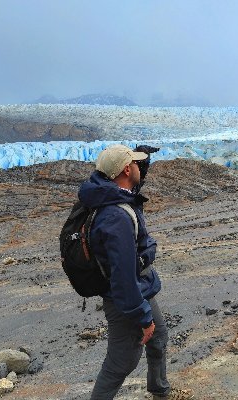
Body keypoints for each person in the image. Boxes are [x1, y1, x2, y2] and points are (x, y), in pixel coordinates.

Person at [78, 144, 173, 399]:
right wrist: (142, 317)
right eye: (135, 163)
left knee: (159, 339)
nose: (139, 167)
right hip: (126, 298)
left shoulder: (112, 193)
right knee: (121, 363)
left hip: (140, 289)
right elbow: (122, 278)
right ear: (126, 169)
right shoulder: (115, 217)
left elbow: (133, 186)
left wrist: (143, 159)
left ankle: (160, 392)